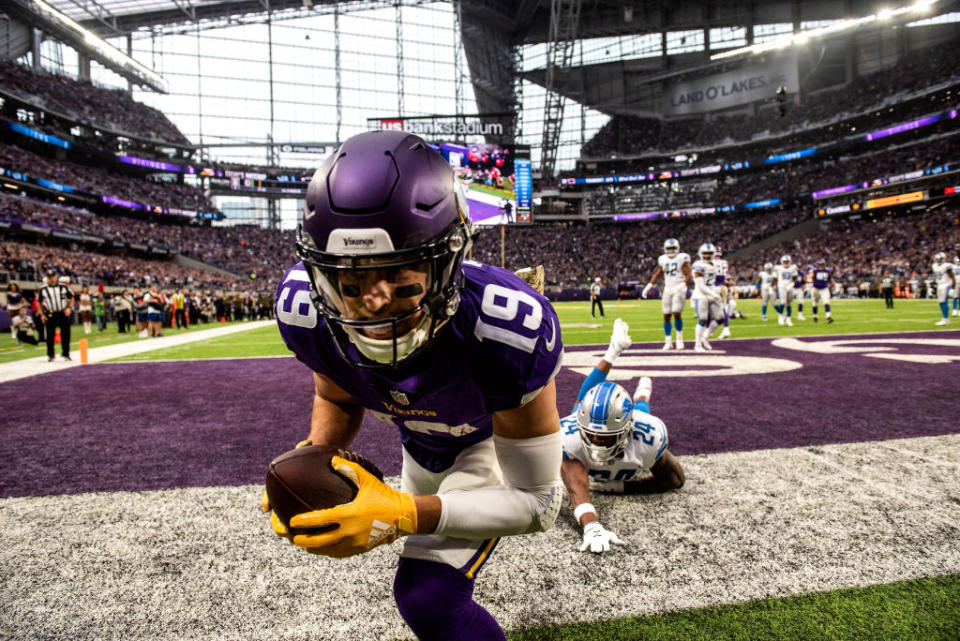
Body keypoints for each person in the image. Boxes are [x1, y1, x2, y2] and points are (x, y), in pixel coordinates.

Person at [265, 130, 564, 641]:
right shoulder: (305, 312)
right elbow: (334, 393)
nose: (372, 304)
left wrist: (403, 511)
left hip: (486, 446)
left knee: (427, 597)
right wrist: (318, 459)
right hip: (421, 450)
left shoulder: (504, 331)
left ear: (446, 261)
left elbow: (539, 503)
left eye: (397, 274)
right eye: (348, 280)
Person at [560, 318, 684, 554]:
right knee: (580, 404)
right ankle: (614, 349)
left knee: (641, 410)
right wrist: (592, 526)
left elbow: (675, 480)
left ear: (627, 430)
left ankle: (643, 394)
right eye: (592, 434)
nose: (596, 441)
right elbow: (577, 490)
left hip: (634, 421)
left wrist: (621, 487)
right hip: (592, 420)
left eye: (605, 437)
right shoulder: (571, 436)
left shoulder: (647, 437)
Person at [641, 238, 692, 351]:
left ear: (677, 248)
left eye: (673, 248)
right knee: (666, 314)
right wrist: (649, 286)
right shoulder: (662, 259)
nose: (671, 251)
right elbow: (658, 273)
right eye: (669, 248)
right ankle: (668, 341)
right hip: (667, 288)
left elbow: (689, 274)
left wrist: (683, 284)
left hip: (679, 288)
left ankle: (679, 340)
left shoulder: (682, 258)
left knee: (676, 312)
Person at [691, 242, 722, 352]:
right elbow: (700, 285)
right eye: (705, 253)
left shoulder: (715, 264)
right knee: (702, 319)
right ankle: (697, 345)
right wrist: (713, 294)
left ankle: (705, 336)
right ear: (700, 253)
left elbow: (716, 281)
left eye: (709, 253)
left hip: (712, 292)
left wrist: (717, 292)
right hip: (701, 294)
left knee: (720, 318)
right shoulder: (697, 265)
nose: (707, 255)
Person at [36, 270, 73, 362]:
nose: (51, 279)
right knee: (49, 335)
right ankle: (51, 354)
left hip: (62, 312)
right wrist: (42, 315)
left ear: (56, 277)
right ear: (47, 278)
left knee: (66, 334)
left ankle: (65, 353)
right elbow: (39, 302)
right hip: (50, 313)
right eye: (49, 277)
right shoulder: (43, 289)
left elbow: (71, 297)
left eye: (53, 276)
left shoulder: (64, 287)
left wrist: (69, 308)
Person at [774, 254, 799, 326]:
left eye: (787, 261)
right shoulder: (778, 268)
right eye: (784, 262)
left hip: (789, 286)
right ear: (781, 261)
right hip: (781, 286)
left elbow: (795, 277)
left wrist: (792, 284)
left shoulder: (793, 267)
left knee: (789, 304)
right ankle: (780, 315)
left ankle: (788, 319)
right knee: (783, 302)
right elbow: (775, 278)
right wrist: (771, 287)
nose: (786, 263)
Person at [713, 246, 733, 338]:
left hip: (714, 286)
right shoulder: (725, 262)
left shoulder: (711, 262)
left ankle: (709, 330)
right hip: (723, 287)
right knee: (724, 308)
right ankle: (726, 329)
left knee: (710, 308)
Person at [932, 252, 955, 326]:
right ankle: (944, 318)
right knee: (940, 302)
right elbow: (938, 276)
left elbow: (952, 277)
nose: (938, 260)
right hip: (940, 285)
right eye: (937, 259)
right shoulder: (934, 266)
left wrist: (952, 288)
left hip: (946, 285)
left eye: (940, 259)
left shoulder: (947, 266)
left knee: (944, 301)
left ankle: (945, 319)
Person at [809, 258, 835, 323]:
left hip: (824, 289)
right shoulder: (814, 271)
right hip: (816, 289)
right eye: (820, 264)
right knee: (815, 304)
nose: (821, 266)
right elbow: (809, 277)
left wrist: (832, 283)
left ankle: (828, 317)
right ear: (817, 265)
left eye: (822, 264)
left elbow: (830, 278)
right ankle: (815, 316)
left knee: (826, 302)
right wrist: (809, 279)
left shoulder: (827, 270)